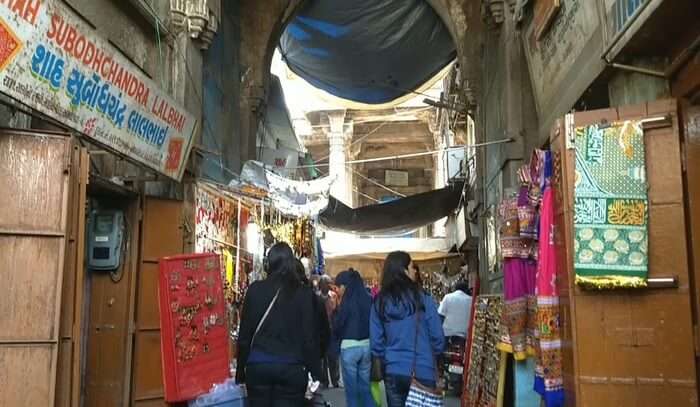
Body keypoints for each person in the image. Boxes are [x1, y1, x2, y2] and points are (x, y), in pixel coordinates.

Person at [236, 243, 321, 406]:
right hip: (292, 368)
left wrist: (241, 370)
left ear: (269, 263)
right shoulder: (303, 294)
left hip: (258, 367)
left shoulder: (255, 290)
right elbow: (309, 337)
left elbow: (245, 335)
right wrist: (315, 372)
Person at [370, 251, 446, 407]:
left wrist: (389, 358)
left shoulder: (380, 301)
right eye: (412, 267)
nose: (415, 271)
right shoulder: (423, 298)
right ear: (404, 270)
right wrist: (434, 355)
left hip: (393, 371)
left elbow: (376, 343)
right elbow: (438, 337)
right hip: (422, 370)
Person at [333, 268, 375, 407]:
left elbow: (338, 325)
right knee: (365, 388)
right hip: (367, 346)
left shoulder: (346, 301)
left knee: (352, 393)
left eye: (338, 287)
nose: (337, 291)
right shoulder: (368, 299)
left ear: (344, 286)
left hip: (349, 347)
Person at [318, 275, 341, 388]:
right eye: (325, 283)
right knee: (322, 358)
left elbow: (337, 312)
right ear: (321, 284)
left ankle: (335, 380)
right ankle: (324, 381)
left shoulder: (334, 296)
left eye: (328, 283)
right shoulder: (316, 297)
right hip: (321, 331)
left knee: (333, 356)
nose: (327, 285)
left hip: (332, 329)